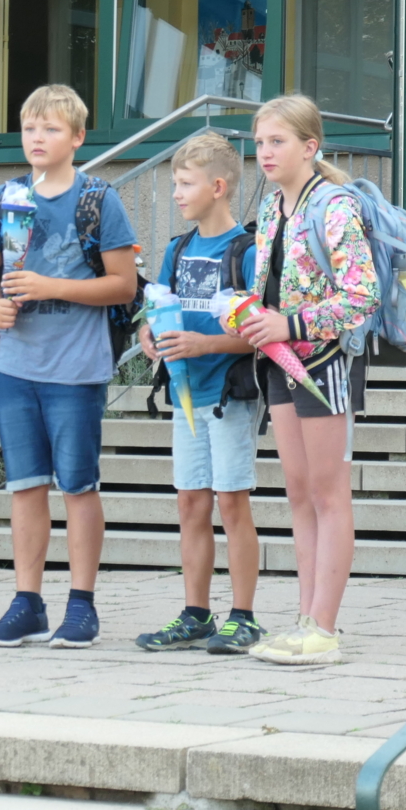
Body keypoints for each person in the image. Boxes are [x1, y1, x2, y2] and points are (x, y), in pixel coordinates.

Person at [0, 84, 139, 649]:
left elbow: (123, 285)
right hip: (16, 364)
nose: (36, 138)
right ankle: (27, 602)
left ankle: (82, 604)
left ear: (77, 137)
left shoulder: (97, 198)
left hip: (75, 367)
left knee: (77, 486)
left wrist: (50, 286)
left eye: (49, 128)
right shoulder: (6, 196)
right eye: (29, 128)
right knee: (24, 487)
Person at [239, 95, 379, 666]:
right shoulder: (274, 207)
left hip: (325, 363)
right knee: (298, 494)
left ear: (309, 146)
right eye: (260, 142)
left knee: (328, 493)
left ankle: (324, 626)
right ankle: (304, 618)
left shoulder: (335, 205)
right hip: (278, 360)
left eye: (277, 141)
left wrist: (291, 322)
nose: (265, 152)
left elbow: (361, 296)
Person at [133, 133, 266, 655]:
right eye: (173, 183)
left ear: (218, 186)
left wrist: (204, 341)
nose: (176, 194)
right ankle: (196, 612)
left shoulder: (247, 252)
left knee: (232, 503)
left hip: (228, 398)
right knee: (191, 501)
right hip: (185, 397)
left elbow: (257, 332)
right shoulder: (177, 249)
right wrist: (150, 336)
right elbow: (158, 307)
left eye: (185, 184)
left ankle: (244, 615)